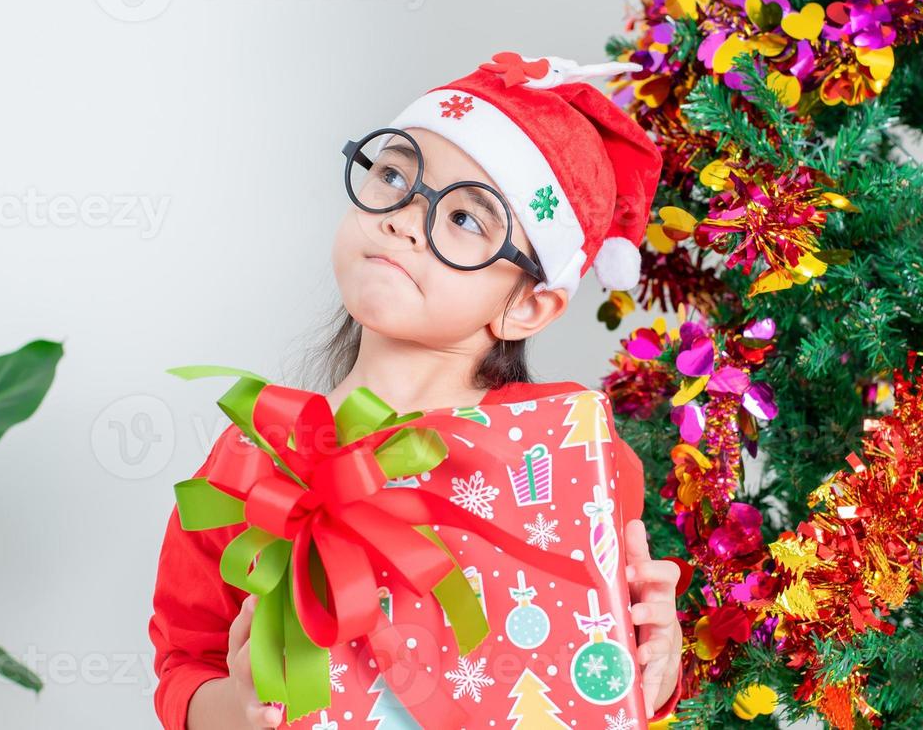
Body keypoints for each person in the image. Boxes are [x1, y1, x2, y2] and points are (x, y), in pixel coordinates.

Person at [148, 52, 686, 728]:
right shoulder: (250, 459)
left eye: (466, 220)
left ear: (526, 306)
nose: (404, 219)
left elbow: (596, 655)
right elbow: (184, 660)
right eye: (394, 176)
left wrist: (658, 667)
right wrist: (230, 708)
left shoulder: (565, 453)